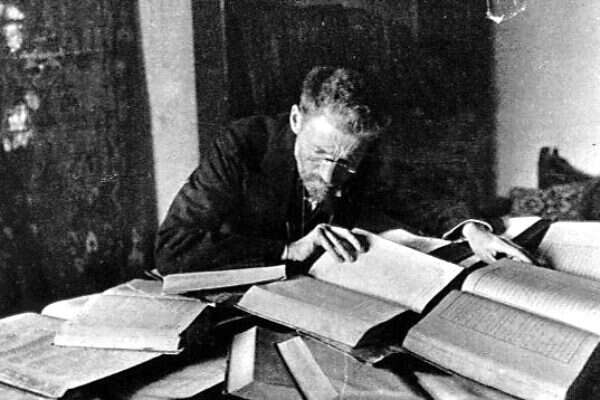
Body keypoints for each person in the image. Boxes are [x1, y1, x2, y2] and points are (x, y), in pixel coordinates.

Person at [155, 66, 530, 274]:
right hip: (239, 295)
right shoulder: (243, 144)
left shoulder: (367, 152)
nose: (331, 177)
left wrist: (471, 229)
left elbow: (418, 199)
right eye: (319, 154)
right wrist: (288, 249)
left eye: (347, 162)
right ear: (296, 119)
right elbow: (173, 247)